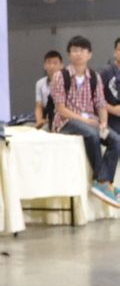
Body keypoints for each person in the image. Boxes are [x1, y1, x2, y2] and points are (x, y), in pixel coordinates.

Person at [48, 35, 120, 208]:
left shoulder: (94, 77)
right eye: (74, 50)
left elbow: (101, 104)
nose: (78, 54)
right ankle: (102, 181)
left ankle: (103, 181)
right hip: (66, 122)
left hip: (91, 121)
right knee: (91, 134)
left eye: (82, 50)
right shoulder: (60, 76)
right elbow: (60, 109)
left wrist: (103, 123)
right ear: (69, 54)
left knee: (116, 139)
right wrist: (84, 120)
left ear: (89, 54)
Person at [34, 49, 63, 129]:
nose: (52, 66)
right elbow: (39, 106)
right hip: (46, 116)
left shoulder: (66, 82)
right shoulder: (40, 83)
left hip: (61, 118)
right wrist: (39, 120)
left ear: (61, 65)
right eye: (49, 63)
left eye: (55, 63)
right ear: (44, 66)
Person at [101, 37, 120, 139]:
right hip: (111, 121)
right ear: (115, 52)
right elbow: (96, 99)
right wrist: (112, 109)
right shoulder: (106, 72)